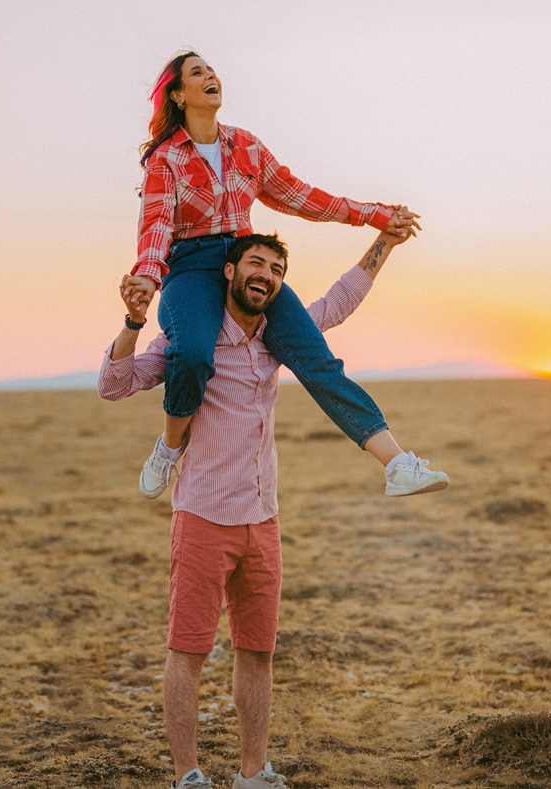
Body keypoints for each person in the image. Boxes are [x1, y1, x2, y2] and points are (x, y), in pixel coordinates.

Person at [99, 228, 447, 789]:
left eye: (277, 270)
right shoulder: (193, 336)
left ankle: (253, 772)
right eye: (255, 263)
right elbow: (115, 385)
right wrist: (133, 322)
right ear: (230, 272)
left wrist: (384, 244)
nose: (265, 275)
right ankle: (187, 775)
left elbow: (338, 300)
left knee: (257, 653)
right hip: (203, 518)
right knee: (188, 652)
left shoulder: (279, 337)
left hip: (263, 519)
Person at [120, 50, 446, 497]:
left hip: (244, 261)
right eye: (198, 72)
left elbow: (301, 196)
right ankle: (168, 448)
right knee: (193, 353)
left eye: (212, 69)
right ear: (177, 94)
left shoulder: (247, 146)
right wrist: (147, 277)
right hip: (191, 267)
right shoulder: (166, 159)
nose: (212, 74)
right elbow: (157, 224)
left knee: (315, 356)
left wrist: (373, 215)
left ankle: (396, 464)